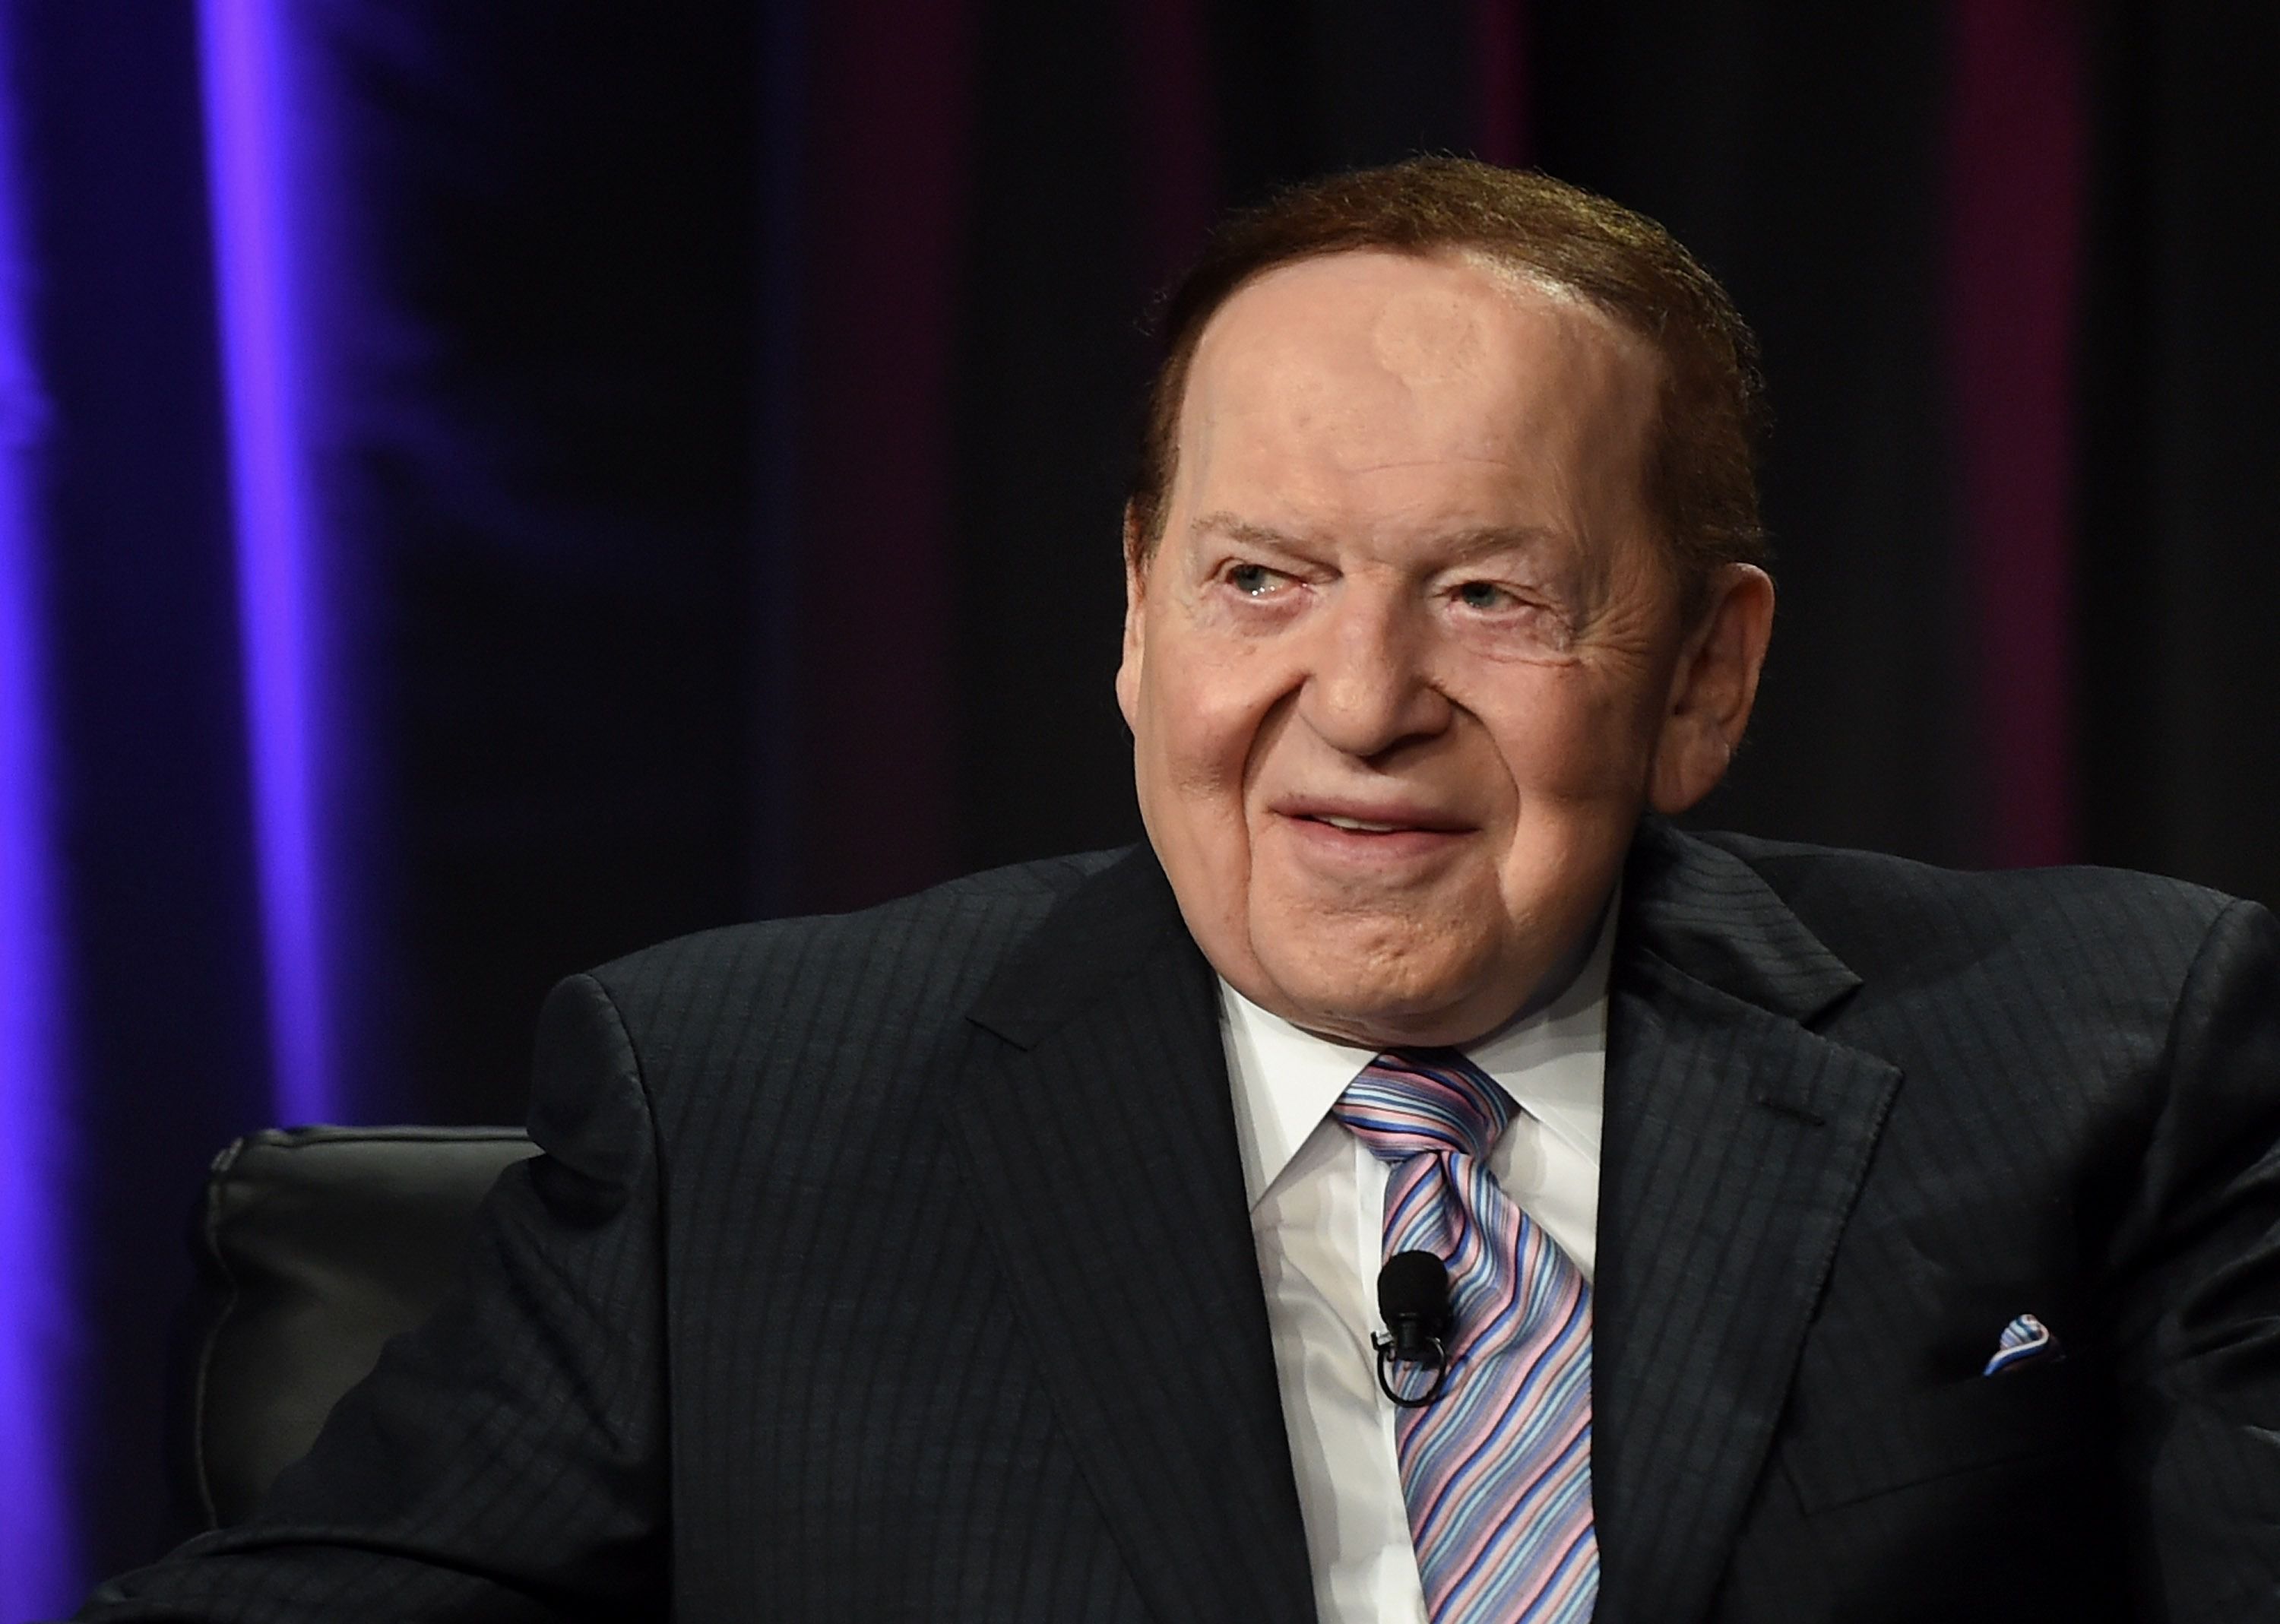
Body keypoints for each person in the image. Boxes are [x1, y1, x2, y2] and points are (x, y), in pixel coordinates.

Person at [78, 159, 2280, 1623]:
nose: (1364, 703)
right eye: (1262, 581)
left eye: (1491, 594)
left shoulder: (2106, 1055)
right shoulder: (731, 1111)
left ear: (1704, 673)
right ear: (1138, 616)